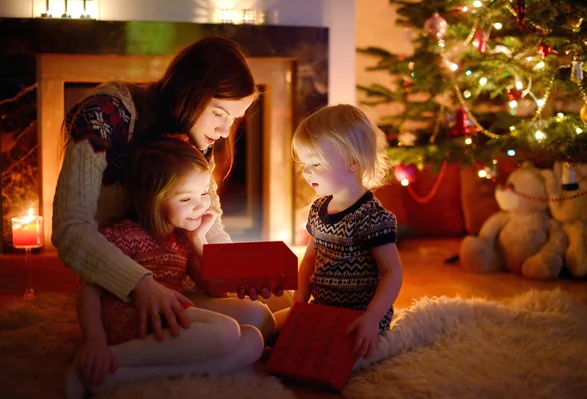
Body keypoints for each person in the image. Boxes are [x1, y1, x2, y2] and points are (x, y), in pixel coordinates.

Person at [52, 36, 285, 343]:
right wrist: (141, 284)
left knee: (265, 314)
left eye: (234, 119)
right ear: (190, 92)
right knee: (241, 330)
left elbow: (209, 224)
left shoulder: (196, 137)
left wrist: (240, 273)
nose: (225, 130)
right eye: (219, 113)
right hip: (120, 285)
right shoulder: (106, 114)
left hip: (177, 278)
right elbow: (70, 229)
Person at [66, 138, 264, 397]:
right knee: (227, 331)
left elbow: (214, 289)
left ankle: (124, 375)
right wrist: (95, 342)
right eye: (185, 198)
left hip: (171, 318)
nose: (200, 205)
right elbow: (89, 292)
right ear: (154, 199)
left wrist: (198, 240)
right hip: (136, 320)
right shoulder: (122, 235)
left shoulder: (181, 239)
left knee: (253, 341)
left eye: (203, 193)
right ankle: (101, 359)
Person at [274, 104, 403, 359]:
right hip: (321, 308)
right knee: (271, 327)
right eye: (304, 163)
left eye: (316, 163)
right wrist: (299, 303)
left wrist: (372, 317)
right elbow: (309, 259)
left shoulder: (372, 217)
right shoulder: (318, 208)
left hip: (358, 316)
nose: (306, 171)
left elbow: (392, 272)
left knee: (323, 355)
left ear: (353, 161)